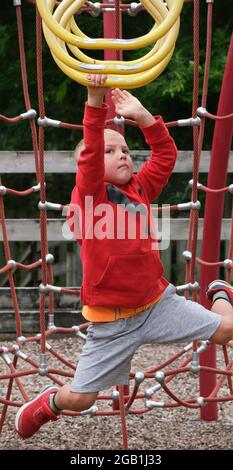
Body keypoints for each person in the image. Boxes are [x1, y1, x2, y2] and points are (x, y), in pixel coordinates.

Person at [15, 75, 233, 439]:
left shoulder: (141, 188)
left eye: (126, 151)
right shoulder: (89, 199)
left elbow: (166, 155)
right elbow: (89, 157)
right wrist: (94, 102)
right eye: (110, 150)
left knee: (226, 329)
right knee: (81, 400)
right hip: (112, 324)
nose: (123, 155)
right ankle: (48, 402)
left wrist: (144, 117)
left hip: (156, 305)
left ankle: (221, 292)